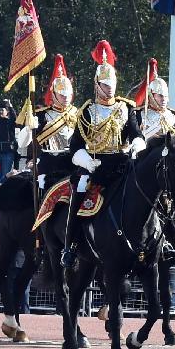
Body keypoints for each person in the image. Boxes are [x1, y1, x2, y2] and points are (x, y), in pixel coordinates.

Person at [62, 40, 144, 268]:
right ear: (97, 84)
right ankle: (71, 246)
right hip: (95, 166)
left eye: (112, 84)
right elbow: (75, 145)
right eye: (106, 85)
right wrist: (87, 162)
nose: (110, 88)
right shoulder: (87, 111)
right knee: (78, 195)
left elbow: (136, 133)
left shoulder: (126, 108)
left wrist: (137, 145)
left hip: (122, 163)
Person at [33, 54, 77, 192]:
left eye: (68, 95)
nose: (66, 98)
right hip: (49, 161)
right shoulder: (42, 114)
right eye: (62, 95)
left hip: (71, 161)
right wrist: (29, 128)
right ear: (54, 94)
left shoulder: (77, 113)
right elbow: (25, 143)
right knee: (42, 189)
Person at [139, 76, 175, 141]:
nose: (164, 99)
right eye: (160, 96)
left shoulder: (174, 115)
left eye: (165, 96)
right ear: (151, 96)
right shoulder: (139, 114)